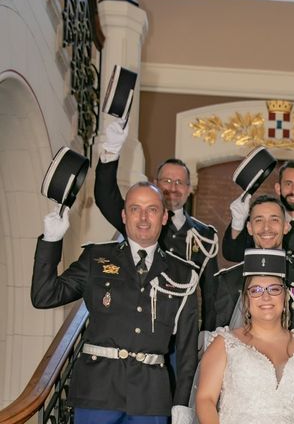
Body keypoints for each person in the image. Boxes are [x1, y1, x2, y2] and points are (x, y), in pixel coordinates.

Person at [31, 182, 198, 424]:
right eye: (134, 209)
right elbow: (44, 295)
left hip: (150, 398)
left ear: (164, 217)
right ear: (124, 215)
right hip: (97, 391)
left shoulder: (183, 274)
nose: (143, 217)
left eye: (151, 209)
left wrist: (182, 402)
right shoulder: (96, 258)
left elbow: (186, 349)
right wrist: (51, 240)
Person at [95, 119, 218, 326]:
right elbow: (105, 197)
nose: (173, 188)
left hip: (180, 328)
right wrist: (110, 153)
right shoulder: (140, 221)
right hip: (139, 322)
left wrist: (209, 333)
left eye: (180, 182)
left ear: (189, 189)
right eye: (167, 181)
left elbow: (211, 292)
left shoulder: (205, 236)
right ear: (155, 184)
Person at [195, 248, 294, 423]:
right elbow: (205, 400)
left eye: (274, 289)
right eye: (256, 290)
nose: (266, 297)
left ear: (285, 298)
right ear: (246, 300)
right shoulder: (225, 344)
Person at [210, 194, 294, 366]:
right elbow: (215, 338)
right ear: (249, 228)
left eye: (274, 220)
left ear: (286, 226)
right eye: (259, 220)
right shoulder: (228, 281)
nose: (267, 228)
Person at [223, 160, 294, 262]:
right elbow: (232, 254)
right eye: (288, 184)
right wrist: (238, 222)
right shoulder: (259, 224)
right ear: (278, 188)